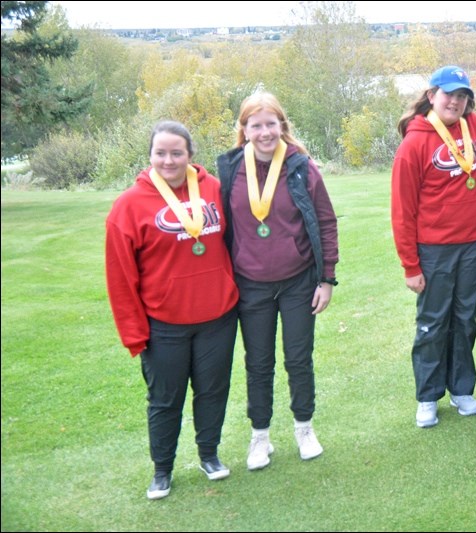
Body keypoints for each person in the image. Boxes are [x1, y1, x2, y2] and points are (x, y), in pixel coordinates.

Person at [106, 121, 239, 500]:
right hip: (164, 324)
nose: (168, 160)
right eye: (160, 153)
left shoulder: (213, 188)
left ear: (190, 155)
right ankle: (162, 470)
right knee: (165, 400)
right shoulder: (129, 205)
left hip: (218, 316)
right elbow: (120, 278)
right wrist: (134, 334)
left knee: (213, 391)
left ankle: (209, 455)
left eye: (176, 152)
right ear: (150, 155)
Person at [217, 92, 338, 468]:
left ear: (282, 126)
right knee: (258, 363)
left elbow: (326, 221)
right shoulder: (229, 169)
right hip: (250, 284)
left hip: (299, 281)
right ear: (245, 130)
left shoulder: (301, 166)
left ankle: (304, 428)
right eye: (257, 125)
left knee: (299, 359)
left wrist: (327, 279)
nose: (265, 132)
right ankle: (260, 438)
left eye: (272, 124)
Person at [391, 65, 476, 428]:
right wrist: (410, 265)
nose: (456, 101)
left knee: (465, 320)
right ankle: (428, 396)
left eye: (463, 96)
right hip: (434, 248)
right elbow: (402, 210)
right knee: (433, 323)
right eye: (449, 94)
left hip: (475, 242)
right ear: (432, 95)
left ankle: (462, 389)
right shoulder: (414, 142)